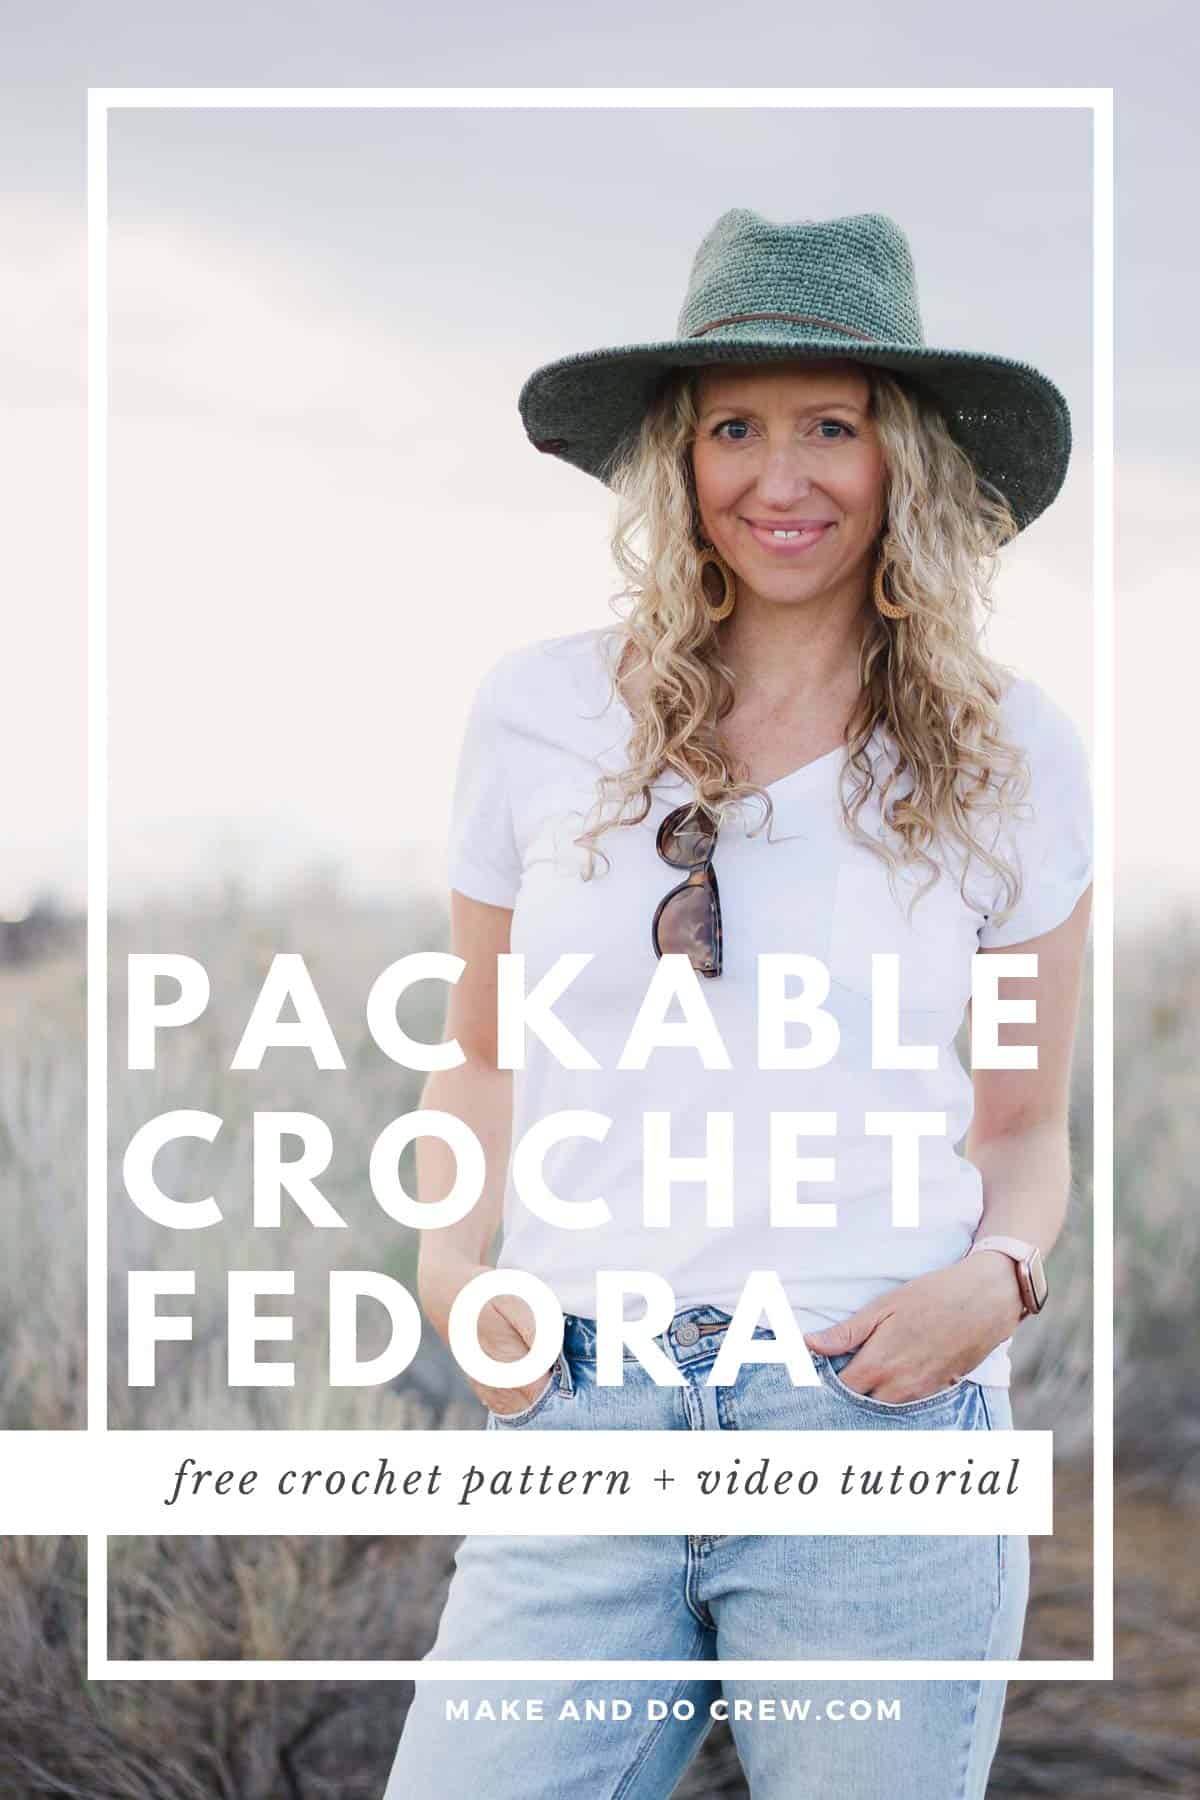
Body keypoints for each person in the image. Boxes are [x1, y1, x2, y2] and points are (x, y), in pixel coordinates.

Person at [383, 209, 1092, 1798]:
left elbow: (1028, 1127)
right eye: (736, 427)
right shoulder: (541, 711)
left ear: (899, 456)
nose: (783, 476)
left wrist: (1002, 1280)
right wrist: (448, 1266)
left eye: (830, 424)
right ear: (678, 460)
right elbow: (481, 1050)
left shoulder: (1013, 754)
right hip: (583, 1408)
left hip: (870, 1413)